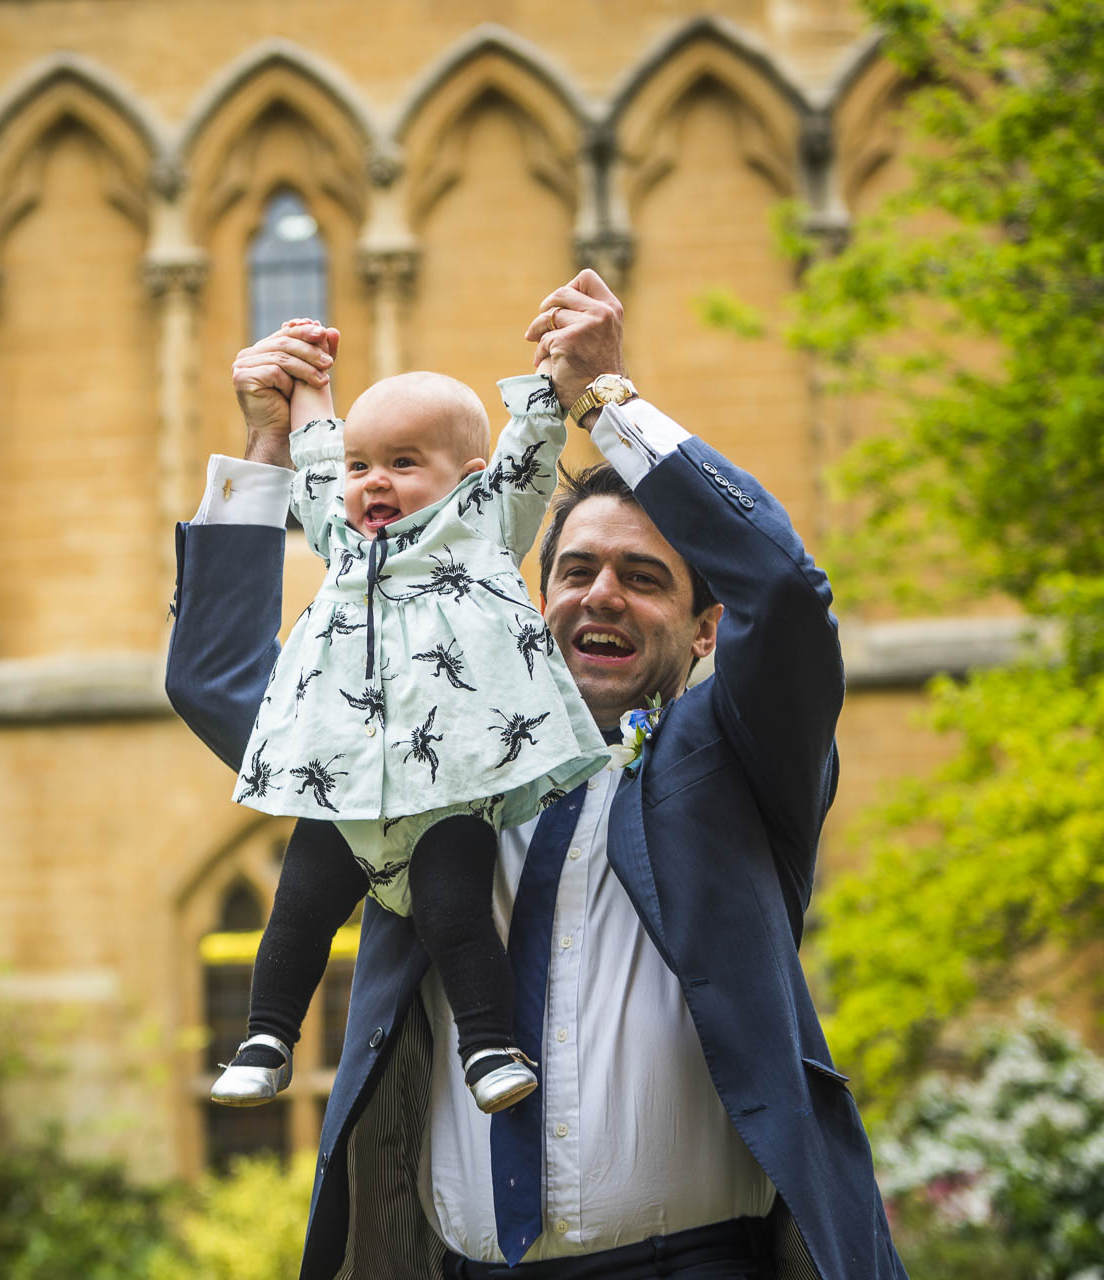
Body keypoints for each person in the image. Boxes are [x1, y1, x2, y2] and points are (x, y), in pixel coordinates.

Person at [166, 271, 906, 1279]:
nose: (602, 592)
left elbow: (783, 586)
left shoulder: (739, 760)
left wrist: (606, 399)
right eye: (575, 569)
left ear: (704, 628)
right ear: (527, 600)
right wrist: (263, 450)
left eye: (644, 577)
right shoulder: (405, 759)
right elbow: (216, 679)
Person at [213, 334, 608, 1115]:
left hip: (448, 787)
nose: (370, 484)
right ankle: (266, 1038)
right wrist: (310, 390)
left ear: (465, 482)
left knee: (454, 911)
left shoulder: (482, 526)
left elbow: (528, 452)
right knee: (296, 907)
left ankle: (488, 1045)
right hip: (346, 786)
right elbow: (318, 455)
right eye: (363, 467)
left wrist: (552, 384)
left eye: (401, 462)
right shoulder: (339, 541)